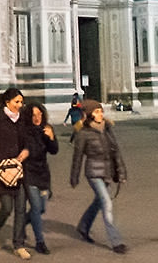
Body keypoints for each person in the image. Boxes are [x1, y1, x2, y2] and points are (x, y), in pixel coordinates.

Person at [69, 99, 127, 254]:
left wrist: (121, 172)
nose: (100, 114)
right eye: (96, 112)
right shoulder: (83, 133)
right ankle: (116, 241)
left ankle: (83, 227)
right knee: (107, 203)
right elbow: (78, 157)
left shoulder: (107, 129)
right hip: (93, 172)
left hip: (107, 172)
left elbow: (116, 152)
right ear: (89, 115)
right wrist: (74, 177)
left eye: (101, 111)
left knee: (99, 202)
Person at [0, 87, 29, 257]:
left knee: (20, 208)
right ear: (7, 102)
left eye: (21, 102)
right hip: (1, 170)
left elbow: (27, 140)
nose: (20, 105)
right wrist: (2, 159)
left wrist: (26, 150)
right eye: (17, 102)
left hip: (19, 169)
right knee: (6, 207)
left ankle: (19, 245)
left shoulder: (22, 119)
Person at [20, 101, 58, 255]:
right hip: (29, 173)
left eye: (40, 114)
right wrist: (26, 152)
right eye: (34, 115)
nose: (37, 117)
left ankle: (20, 224)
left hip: (43, 174)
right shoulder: (24, 131)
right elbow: (29, 150)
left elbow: (54, 151)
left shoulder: (47, 129)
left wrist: (51, 138)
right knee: (36, 207)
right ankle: (40, 242)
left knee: (41, 208)